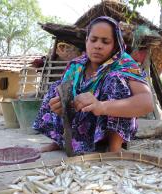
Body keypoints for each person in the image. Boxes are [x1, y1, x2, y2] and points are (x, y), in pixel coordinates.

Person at [33, 16, 153, 154]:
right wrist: (61, 106)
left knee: (115, 80)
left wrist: (101, 106)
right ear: (87, 41)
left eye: (105, 41)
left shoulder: (124, 63)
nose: (98, 45)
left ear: (115, 45)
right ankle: (60, 140)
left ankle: (114, 147)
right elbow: (67, 99)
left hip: (105, 126)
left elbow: (146, 102)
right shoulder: (77, 65)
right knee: (58, 87)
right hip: (81, 124)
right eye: (93, 40)